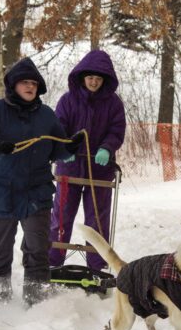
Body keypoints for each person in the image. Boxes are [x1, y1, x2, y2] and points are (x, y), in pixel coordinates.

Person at [0, 57, 83, 305]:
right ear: (13, 85)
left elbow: (56, 150)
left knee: (38, 250)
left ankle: (36, 300)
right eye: (24, 82)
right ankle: (0, 303)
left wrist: (69, 148)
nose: (30, 87)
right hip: (1, 194)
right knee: (0, 253)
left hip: (36, 194)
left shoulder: (46, 116)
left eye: (33, 83)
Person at [49, 50, 126, 271]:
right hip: (69, 167)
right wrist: (65, 147)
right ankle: (53, 263)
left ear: (105, 80)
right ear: (82, 77)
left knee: (98, 221)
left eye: (98, 79)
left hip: (99, 169)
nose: (94, 82)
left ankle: (96, 266)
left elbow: (117, 130)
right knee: (61, 218)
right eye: (90, 78)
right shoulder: (68, 100)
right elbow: (58, 127)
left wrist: (107, 148)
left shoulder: (113, 104)